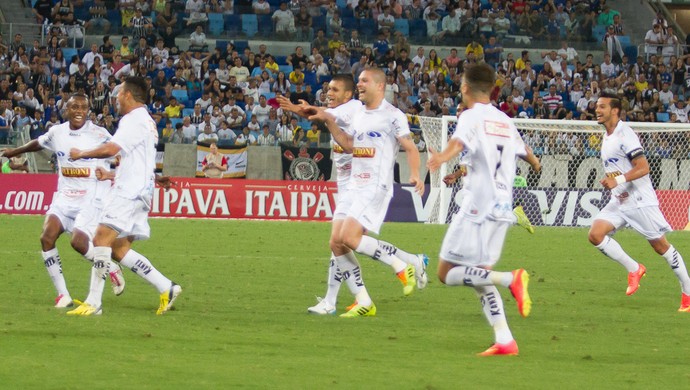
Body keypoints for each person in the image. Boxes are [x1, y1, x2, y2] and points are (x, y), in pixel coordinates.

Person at [426, 63, 533, 356]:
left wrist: (440, 159)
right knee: (478, 275)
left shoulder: (471, 116)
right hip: (502, 207)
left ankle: (511, 278)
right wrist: (535, 164)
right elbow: (527, 154)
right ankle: (504, 339)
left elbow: (457, 143)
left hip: (477, 207)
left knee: (447, 273)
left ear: (464, 87)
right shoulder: (504, 120)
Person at [304, 69, 425, 317]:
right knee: (337, 242)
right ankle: (405, 267)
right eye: (328, 91)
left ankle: (399, 267)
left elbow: (407, 147)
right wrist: (322, 118)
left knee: (346, 239)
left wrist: (415, 174)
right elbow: (343, 137)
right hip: (350, 188)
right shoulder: (352, 114)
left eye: (335, 91)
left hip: (370, 187)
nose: (329, 95)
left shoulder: (378, 115)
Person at [67, 77, 182, 316]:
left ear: (128, 95)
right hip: (141, 189)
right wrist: (112, 175)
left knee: (100, 239)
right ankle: (166, 287)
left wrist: (81, 154)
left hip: (129, 192)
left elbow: (111, 149)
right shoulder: (147, 122)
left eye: (119, 94)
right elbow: (137, 160)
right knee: (118, 250)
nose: (116, 98)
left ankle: (94, 302)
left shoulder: (133, 119)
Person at [0, 94, 125, 308]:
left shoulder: (99, 133)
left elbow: (121, 154)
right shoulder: (57, 132)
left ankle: (110, 267)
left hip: (90, 195)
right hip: (64, 195)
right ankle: (63, 295)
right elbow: (38, 143)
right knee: (46, 238)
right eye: (74, 106)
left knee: (78, 243)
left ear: (88, 111)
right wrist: (14, 151)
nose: (79, 111)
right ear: (65, 109)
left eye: (83, 107)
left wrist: (114, 173)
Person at [588, 91, 690, 311]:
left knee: (661, 247)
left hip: (639, 201)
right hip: (620, 201)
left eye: (602, 106)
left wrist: (618, 180)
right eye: (597, 106)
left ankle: (688, 292)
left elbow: (644, 168)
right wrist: (614, 181)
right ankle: (634, 269)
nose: (597, 110)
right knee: (595, 234)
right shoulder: (607, 135)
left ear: (614, 110)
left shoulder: (626, 135)